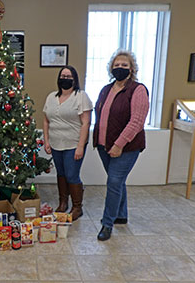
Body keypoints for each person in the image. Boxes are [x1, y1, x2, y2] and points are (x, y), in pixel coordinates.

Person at [93, 50, 149, 241]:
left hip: (125, 148)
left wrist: (118, 144)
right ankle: (121, 215)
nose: (120, 68)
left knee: (113, 183)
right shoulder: (106, 89)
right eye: (116, 65)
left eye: (124, 65)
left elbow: (136, 122)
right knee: (117, 181)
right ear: (111, 68)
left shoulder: (138, 90)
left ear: (131, 69)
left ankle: (107, 224)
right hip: (103, 145)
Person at [43, 65, 93, 220]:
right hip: (56, 143)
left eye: (68, 76)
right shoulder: (51, 97)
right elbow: (45, 120)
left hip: (74, 144)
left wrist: (80, 146)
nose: (65, 79)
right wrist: (46, 140)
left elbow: (86, 123)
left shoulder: (81, 96)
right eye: (62, 76)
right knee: (62, 174)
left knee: (72, 175)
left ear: (74, 79)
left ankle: (77, 207)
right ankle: (63, 203)